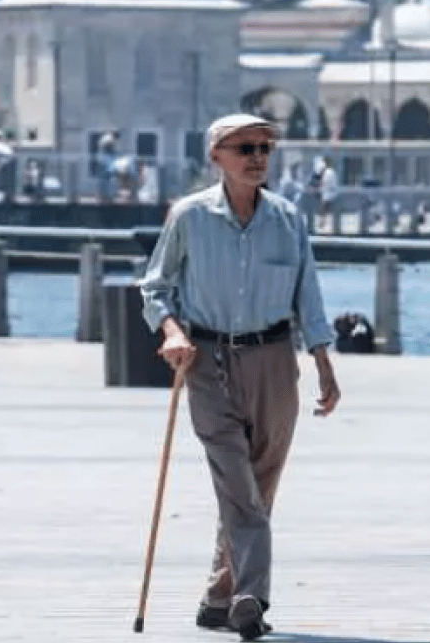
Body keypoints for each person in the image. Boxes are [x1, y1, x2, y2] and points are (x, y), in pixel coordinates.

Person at [138, 113, 342, 641]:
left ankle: (217, 597)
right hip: (206, 360)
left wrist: (324, 363)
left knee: (258, 484)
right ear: (216, 156)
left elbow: (308, 295)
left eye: (264, 148)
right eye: (244, 148)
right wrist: (172, 332)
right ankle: (251, 597)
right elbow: (155, 287)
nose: (256, 158)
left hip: (274, 358)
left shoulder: (288, 219)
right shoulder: (189, 216)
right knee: (236, 479)